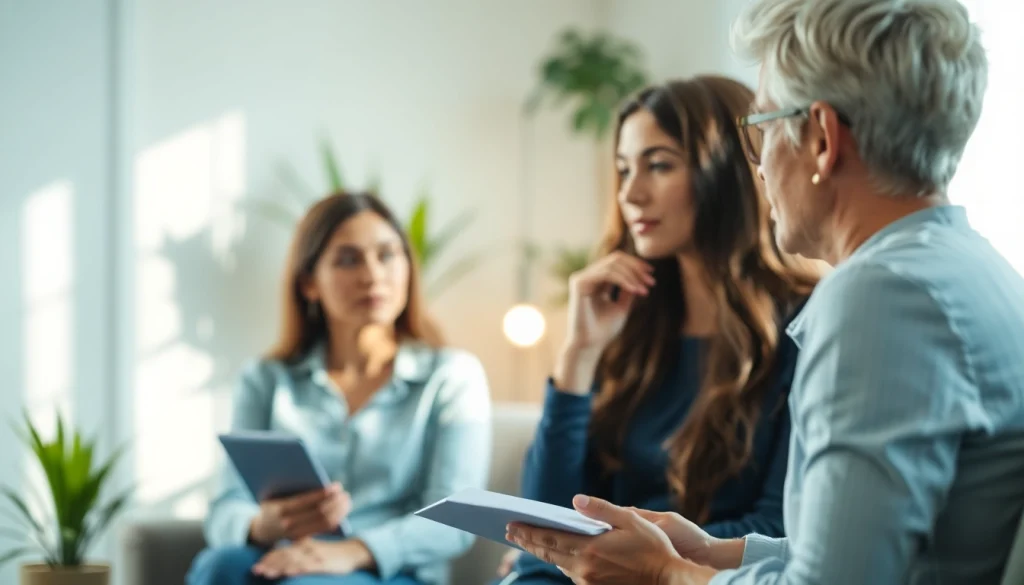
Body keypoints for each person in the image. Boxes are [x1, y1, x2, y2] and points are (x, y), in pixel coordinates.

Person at [506, 1, 1024, 584]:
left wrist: (661, 572)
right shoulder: (974, 268)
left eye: (762, 128)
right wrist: (707, 552)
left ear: (823, 139)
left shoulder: (879, 299)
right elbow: (851, 551)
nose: (759, 165)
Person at [498, 76, 821, 585]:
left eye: (659, 164)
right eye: (624, 169)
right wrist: (578, 355)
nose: (630, 192)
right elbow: (545, 513)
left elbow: (783, 529)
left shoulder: (807, 323)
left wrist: (624, 553)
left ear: (727, 172)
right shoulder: (628, 319)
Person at [186, 192, 492, 585]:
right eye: (348, 259)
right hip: (290, 554)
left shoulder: (451, 376)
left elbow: (456, 519)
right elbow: (225, 509)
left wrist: (350, 551)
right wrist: (263, 524)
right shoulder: (265, 378)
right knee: (217, 568)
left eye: (387, 255)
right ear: (309, 283)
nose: (372, 275)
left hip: (393, 571)